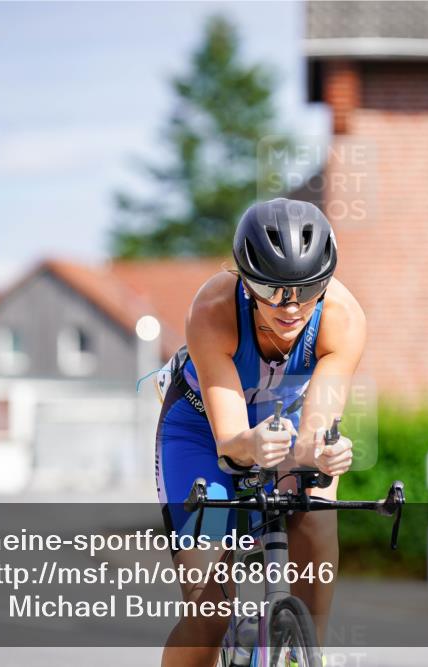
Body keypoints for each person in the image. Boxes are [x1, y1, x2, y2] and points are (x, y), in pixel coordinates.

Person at [154, 198, 365, 667]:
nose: (290, 307)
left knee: (316, 506)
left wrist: (322, 451)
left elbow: (314, 433)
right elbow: (231, 442)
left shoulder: (343, 319)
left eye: (307, 290)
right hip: (201, 431)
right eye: (272, 289)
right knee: (209, 615)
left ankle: (307, 650)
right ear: (246, 281)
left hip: (286, 425)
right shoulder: (213, 308)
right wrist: (250, 444)